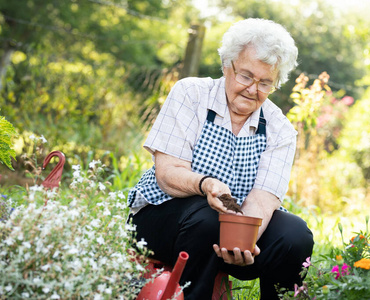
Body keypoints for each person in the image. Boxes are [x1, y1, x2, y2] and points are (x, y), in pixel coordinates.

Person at [127, 18, 314, 300]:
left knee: (295, 236)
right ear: (227, 66)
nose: (253, 90)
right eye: (246, 76)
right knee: (209, 219)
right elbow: (168, 173)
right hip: (163, 216)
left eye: (265, 82)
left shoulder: (280, 129)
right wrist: (206, 185)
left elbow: (264, 199)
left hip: (231, 231)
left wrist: (241, 241)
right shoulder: (191, 94)